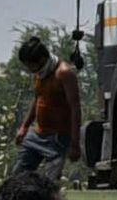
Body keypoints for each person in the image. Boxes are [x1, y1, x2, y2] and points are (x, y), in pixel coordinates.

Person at [16, 38, 83, 176]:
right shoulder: (39, 74)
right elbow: (37, 99)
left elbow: (75, 108)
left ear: (41, 60)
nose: (29, 70)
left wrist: (75, 144)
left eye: (30, 65)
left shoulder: (64, 73)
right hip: (37, 134)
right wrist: (24, 127)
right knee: (17, 177)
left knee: (50, 182)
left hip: (57, 139)